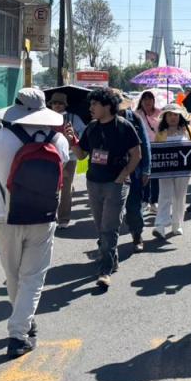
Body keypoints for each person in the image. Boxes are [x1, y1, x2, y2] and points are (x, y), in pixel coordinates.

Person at [0, 88, 69, 358]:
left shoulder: (2, 136)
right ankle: (20, 330)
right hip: (43, 216)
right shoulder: (58, 139)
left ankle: (21, 327)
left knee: (13, 275)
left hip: (5, 215)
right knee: (33, 277)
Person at [77, 88, 143, 288]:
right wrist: (72, 140)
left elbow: (137, 154)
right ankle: (111, 258)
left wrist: (123, 176)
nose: (91, 108)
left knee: (109, 228)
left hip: (115, 184)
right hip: (93, 182)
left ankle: (104, 271)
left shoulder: (124, 126)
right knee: (100, 226)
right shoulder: (91, 127)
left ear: (107, 106)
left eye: (94, 104)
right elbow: (81, 155)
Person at [153, 103, 191, 238]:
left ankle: (177, 224)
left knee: (179, 196)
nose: (173, 117)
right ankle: (160, 226)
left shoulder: (189, 130)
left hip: (183, 170)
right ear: (165, 117)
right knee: (164, 195)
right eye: (170, 114)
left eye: (176, 115)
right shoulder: (160, 133)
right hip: (165, 170)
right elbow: (156, 151)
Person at [117, 90, 151, 252]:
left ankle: (137, 235)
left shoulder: (135, 118)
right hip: (109, 172)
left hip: (134, 170)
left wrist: (146, 169)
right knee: (108, 210)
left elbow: (145, 145)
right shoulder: (99, 121)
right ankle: (106, 242)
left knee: (134, 206)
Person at [48, 91, 86, 228]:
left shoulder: (73, 118)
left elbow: (83, 132)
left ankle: (63, 218)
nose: (57, 105)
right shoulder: (45, 117)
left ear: (65, 105)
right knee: (51, 186)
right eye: (54, 103)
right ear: (50, 104)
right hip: (49, 157)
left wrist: (74, 134)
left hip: (70, 157)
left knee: (65, 187)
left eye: (60, 103)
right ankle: (50, 214)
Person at [135, 90, 162, 213]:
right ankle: (144, 200)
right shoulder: (136, 114)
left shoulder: (160, 113)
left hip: (157, 147)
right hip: (143, 148)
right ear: (141, 101)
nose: (148, 101)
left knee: (156, 176)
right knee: (144, 175)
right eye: (145, 99)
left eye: (150, 99)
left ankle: (154, 201)